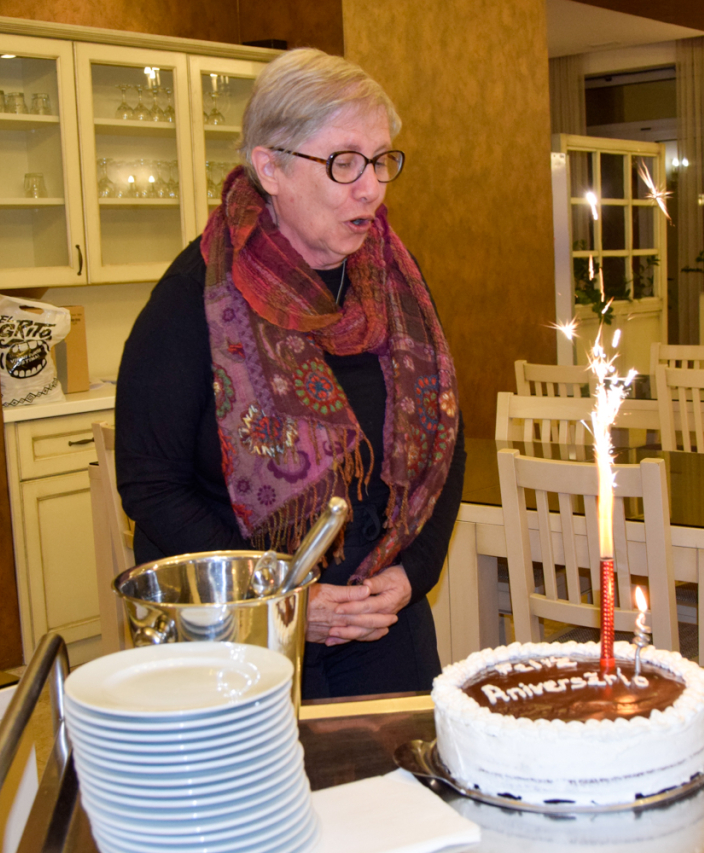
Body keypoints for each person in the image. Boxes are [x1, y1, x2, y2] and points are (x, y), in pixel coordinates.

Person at [115, 48, 465, 700]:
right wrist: (284, 597)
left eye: (381, 160)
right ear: (270, 167)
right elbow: (151, 485)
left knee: (403, 769)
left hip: (383, 625)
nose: (371, 187)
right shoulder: (193, 298)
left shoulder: (397, 285)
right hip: (243, 640)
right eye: (344, 162)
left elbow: (445, 440)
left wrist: (413, 572)